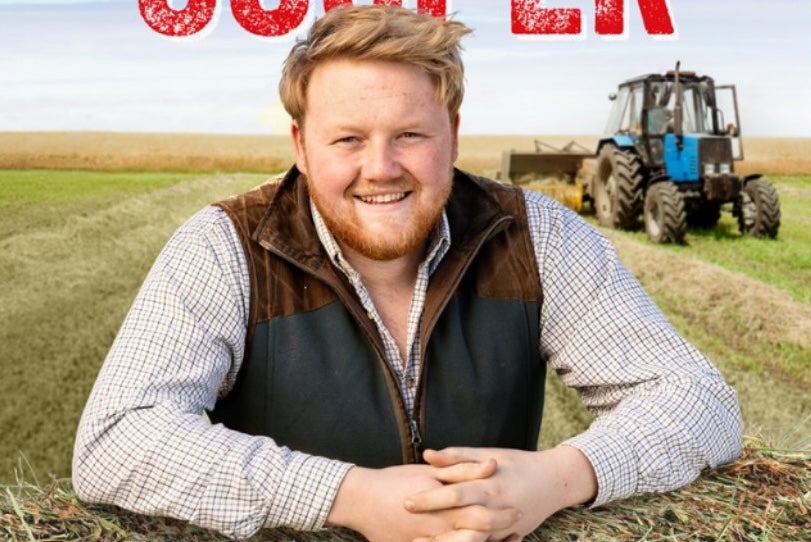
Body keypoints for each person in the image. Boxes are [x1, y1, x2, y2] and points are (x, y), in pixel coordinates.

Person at [72, 5, 743, 541]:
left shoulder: (537, 233)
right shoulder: (223, 247)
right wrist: (347, 496)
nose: (382, 166)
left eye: (410, 136)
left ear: (450, 133)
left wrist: (562, 477)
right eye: (347, 139)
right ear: (301, 146)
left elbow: (697, 399)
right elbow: (117, 439)